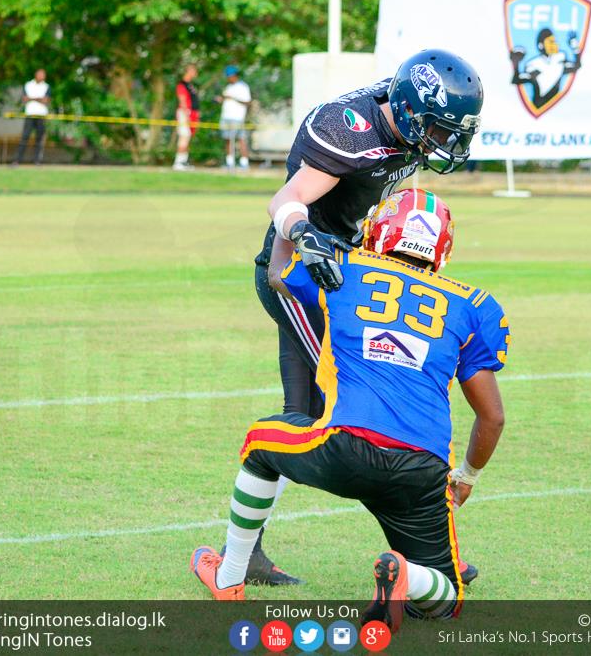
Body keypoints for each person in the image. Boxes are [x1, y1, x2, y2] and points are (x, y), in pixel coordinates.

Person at [190, 189, 509, 633]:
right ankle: (408, 577)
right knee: (445, 598)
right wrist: (467, 476)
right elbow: (492, 417)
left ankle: (228, 578)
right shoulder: (473, 305)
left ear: (379, 229)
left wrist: (291, 218)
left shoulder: (346, 267)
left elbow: (280, 274)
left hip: (345, 447)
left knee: (260, 442)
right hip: (423, 471)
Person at [238, 49, 484, 586]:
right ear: (413, 113)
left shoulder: (405, 114)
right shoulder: (348, 128)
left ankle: (421, 551)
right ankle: (419, 550)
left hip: (348, 279)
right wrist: (306, 236)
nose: (446, 143)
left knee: (334, 411)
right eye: (441, 130)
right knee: (341, 410)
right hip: (300, 281)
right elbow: (289, 196)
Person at [509, 28, 582, 109]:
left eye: (554, 41)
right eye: (550, 42)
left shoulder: (559, 60)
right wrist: (516, 63)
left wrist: (575, 48)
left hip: (559, 106)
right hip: (539, 103)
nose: (554, 44)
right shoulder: (535, 64)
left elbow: (577, 66)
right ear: (541, 45)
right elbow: (517, 80)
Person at [216, 65, 252, 170]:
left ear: (234, 75)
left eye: (229, 76)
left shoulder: (243, 87)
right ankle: (229, 162)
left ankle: (244, 163)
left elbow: (247, 102)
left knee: (241, 139)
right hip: (226, 116)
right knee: (227, 139)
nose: (228, 78)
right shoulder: (228, 87)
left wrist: (233, 98)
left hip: (237, 117)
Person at [12, 69, 49, 166]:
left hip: (41, 115)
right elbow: (24, 99)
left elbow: (46, 100)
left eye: (43, 75)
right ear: (36, 75)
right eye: (41, 74)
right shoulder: (28, 85)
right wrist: (39, 98)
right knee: (24, 137)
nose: (42, 76)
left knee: (39, 138)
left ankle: (37, 161)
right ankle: (17, 160)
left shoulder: (46, 86)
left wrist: (31, 98)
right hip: (30, 114)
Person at [173, 64, 200, 171]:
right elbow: (183, 101)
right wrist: (186, 115)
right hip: (185, 113)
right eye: (194, 70)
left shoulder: (190, 85)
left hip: (192, 113)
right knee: (184, 136)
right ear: (189, 70)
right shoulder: (182, 85)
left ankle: (183, 161)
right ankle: (178, 162)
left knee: (187, 137)